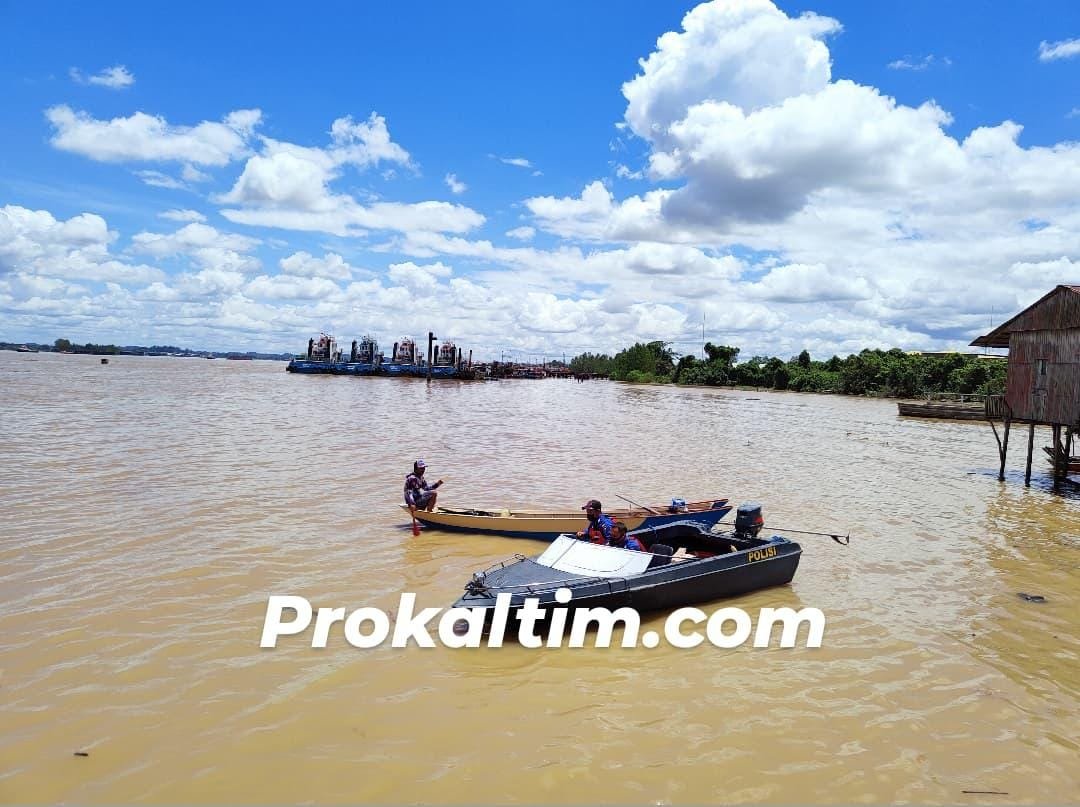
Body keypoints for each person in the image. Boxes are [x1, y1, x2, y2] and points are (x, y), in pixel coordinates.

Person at [404, 459, 443, 533]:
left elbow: (426, 488)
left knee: (432, 492)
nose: (423, 470)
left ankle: (425, 509)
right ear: (416, 469)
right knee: (434, 493)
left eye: (424, 468)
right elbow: (408, 492)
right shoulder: (412, 478)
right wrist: (412, 503)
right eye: (421, 468)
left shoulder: (421, 478)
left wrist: (437, 484)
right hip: (414, 501)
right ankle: (428, 512)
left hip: (418, 498)